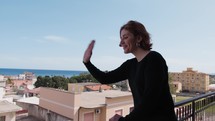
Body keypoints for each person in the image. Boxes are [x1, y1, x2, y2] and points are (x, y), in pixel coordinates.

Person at [83, 20, 177, 121]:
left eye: (125, 37)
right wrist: (87, 62)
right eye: (120, 38)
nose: (121, 43)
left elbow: (149, 101)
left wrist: (122, 120)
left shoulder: (154, 59)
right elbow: (105, 78)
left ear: (139, 38)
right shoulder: (131, 65)